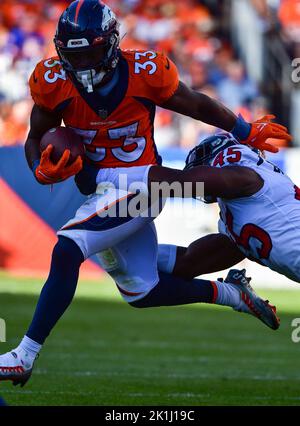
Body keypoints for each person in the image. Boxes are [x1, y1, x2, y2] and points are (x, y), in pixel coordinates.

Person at [0, 0, 287, 386]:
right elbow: (35, 138)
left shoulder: (145, 72)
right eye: (75, 55)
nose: (83, 64)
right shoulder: (53, 80)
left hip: (142, 183)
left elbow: (195, 103)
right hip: (102, 189)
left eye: (91, 53)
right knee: (142, 290)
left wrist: (243, 130)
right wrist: (40, 167)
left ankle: (24, 355)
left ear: (112, 44)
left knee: (68, 248)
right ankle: (231, 294)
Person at [158, 132, 300, 287]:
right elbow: (188, 263)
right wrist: (130, 256)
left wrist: (131, 179)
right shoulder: (238, 215)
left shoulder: (245, 177)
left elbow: (180, 183)